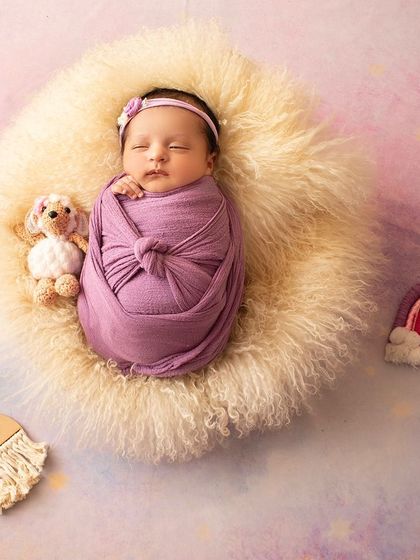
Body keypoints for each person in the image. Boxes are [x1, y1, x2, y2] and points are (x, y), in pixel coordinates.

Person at [77, 88, 245, 377]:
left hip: (192, 326)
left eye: (177, 147)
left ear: (209, 162)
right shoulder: (116, 197)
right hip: (114, 319)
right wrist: (111, 197)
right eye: (140, 147)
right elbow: (102, 237)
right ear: (123, 159)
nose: (156, 155)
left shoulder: (211, 203)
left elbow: (219, 252)